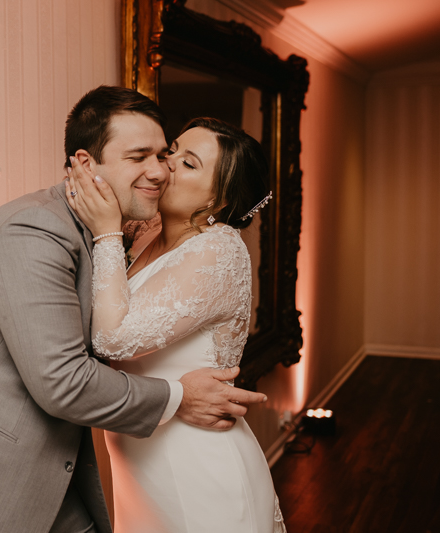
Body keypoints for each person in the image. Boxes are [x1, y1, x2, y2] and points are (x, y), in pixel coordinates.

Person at [0, 87, 267, 533]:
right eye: (143, 157)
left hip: (76, 460)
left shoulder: (132, 230)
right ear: (86, 163)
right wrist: (179, 396)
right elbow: (62, 378)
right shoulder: (35, 230)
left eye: (163, 156)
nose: (160, 171)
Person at [65, 116, 286, 532]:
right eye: (173, 151)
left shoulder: (220, 252)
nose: (165, 165)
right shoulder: (150, 231)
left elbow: (112, 340)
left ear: (218, 201)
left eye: (188, 164)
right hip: (145, 461)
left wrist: (107, 234)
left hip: (197, 463)